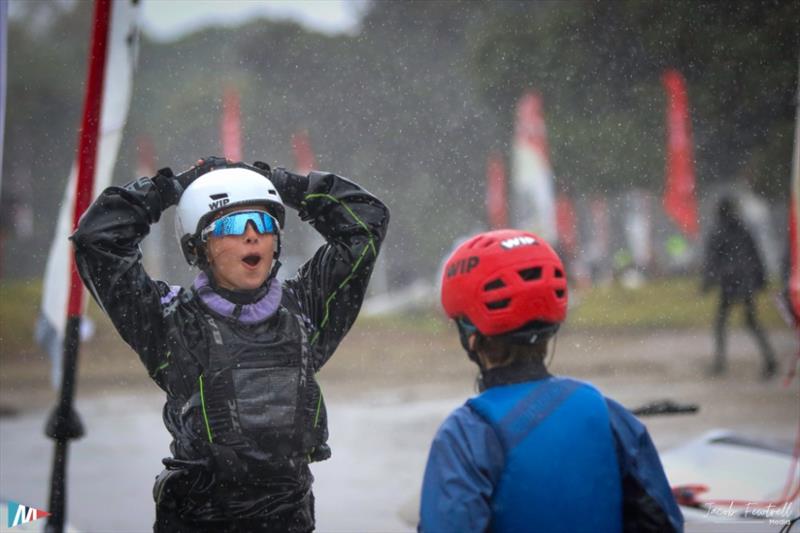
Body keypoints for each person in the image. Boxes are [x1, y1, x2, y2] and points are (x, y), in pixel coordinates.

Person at [71, 156, 389, 532]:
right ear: (199, 246)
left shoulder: (307, 310)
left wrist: (279, 183)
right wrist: (169, 189)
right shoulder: (167, 323)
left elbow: (366, 222)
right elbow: (97, 239)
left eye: (266, 223)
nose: (253, 234)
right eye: (233, 224)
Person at [419, 229, 683, 533]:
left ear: (472, 338)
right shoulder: (608, 415)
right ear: (552, 325)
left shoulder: (465, 435)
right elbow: (663, 523)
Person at [702, 196, 777, 378]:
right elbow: (755, 254)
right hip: (744, 282)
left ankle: (720, 363)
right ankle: (770, 360)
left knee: (721, 324)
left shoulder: (718, 231)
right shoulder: (742, 229)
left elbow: (712, 260)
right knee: (751, 322)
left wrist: (707, 282)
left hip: (730, 283)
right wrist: (761, 279)